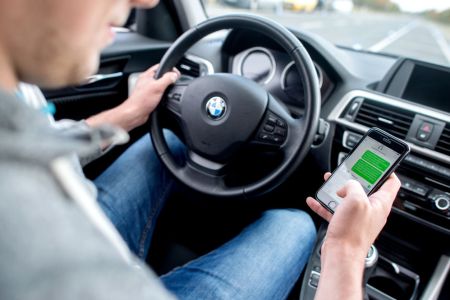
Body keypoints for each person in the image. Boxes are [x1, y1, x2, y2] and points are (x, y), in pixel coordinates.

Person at [0, 1, 400, 300]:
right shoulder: (35, 243)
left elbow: (47, 141)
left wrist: (124, 116)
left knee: (171, 143)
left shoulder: (15, 96)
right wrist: (347, 252)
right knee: (294, 226)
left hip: (75, 215)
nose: (146, 2)